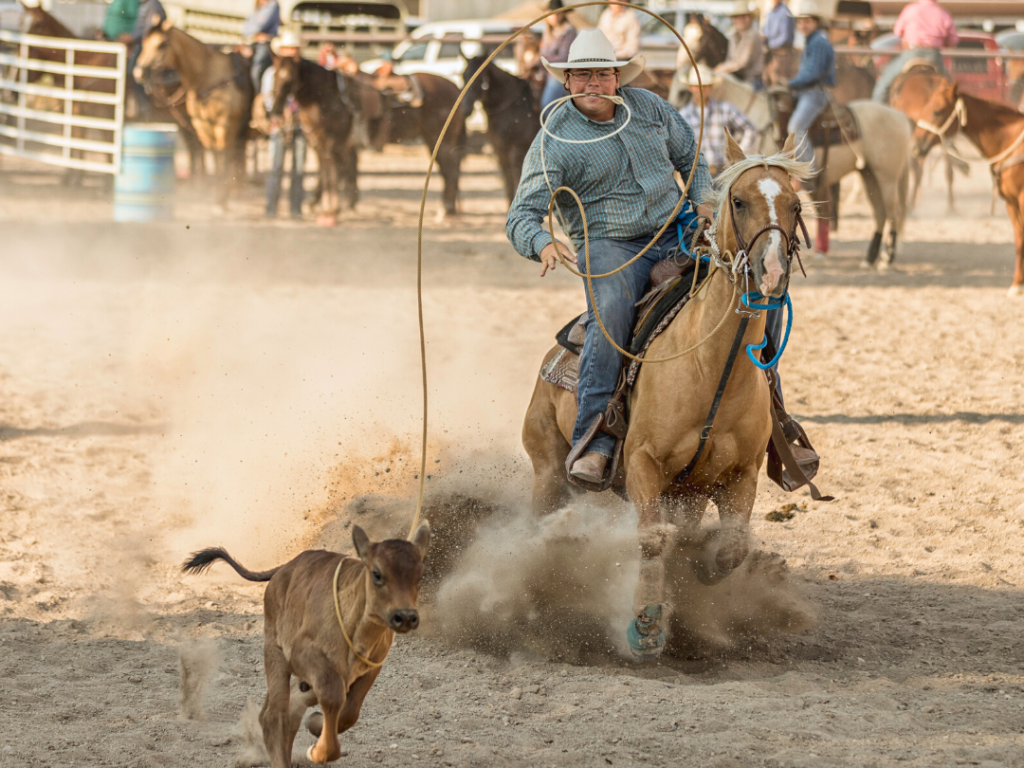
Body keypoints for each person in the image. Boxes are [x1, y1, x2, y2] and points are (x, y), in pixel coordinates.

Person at [506, 29, 713, 484]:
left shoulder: (652, 108)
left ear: (617, 77)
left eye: (602, 74)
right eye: (583, 76)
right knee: (613, 313)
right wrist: (544, 243)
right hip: (610, 244)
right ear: (566, 81)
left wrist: (703, 202)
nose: (593, 84)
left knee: (748, 284)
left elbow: (692, 159)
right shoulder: (554, 141)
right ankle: (594, 441)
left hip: (676, 229)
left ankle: (773, 417)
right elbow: (520, 216)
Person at [785, 0, 835, 187]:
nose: (802, 25)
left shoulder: (819, 43)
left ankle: (809, 172)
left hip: (815, 93)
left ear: (815, 22)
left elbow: (812, 73)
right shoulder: (811, 41)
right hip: (806, 91)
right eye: (800, 22)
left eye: (807, 21)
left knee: (796, 127)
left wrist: (790, 83)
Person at [872, 0, 957, 103]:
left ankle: (876, 109)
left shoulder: (911, 9)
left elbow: (897, 31)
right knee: (950, 90)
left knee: (882, 86)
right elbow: (952, 40)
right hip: (933, 55)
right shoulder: (943, 13)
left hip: (912, 53)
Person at [679, 66, 759, 176]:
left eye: (705, 86)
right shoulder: (683, 116)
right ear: (690, 87)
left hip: (724, 171)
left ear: (711, 87)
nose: (701, 89)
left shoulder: (725, 109)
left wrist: (739, 153)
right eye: (697, 86)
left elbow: (750, 129)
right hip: (698, 174)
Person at [263, 32, 306, 220]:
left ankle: (295, 210)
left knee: (299, 169)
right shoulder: (271, 74)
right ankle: (270, 209)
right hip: (280, 125)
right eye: (287, 49)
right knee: (276, 167)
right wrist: (278, 112)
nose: (290, 52)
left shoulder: (305, 75)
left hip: (299, 124)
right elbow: (267, 98)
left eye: (293, 49)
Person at [715, 0, 765, 89]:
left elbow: (742, 63)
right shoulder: (734, 36)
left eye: (742, 17)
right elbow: (729, 59)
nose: (738, 20)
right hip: (737, 78)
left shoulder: (752, 36)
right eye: (736, 17)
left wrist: (722, 68)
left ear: (749, 18)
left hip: (751, 81)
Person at [539, 0, 577, 113]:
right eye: (549, 14)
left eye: (555, 13)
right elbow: (543, 51)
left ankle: (551, 128)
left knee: (547, 104)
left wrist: (541, 59)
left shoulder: (568, 31)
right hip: (545, 71)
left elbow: (563, 58)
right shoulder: (548, 31)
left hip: (560, 74)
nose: (552, 17)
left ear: (562, 14)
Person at [243, 0, 281, 91]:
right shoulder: (258, 7)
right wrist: (254, 33)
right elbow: (245, 30)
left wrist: (254, 31)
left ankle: (259, 96)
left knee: (257, 72)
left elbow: (259, 26)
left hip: (266, 44)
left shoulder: (273, 5)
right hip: (253, 43)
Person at [761, 0, 796, 86]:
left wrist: (771, 44)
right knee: (766, 78)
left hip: (782, 52)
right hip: (771, 51)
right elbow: (765, 31)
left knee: (777, 80)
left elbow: (785, 37)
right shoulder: (771, 13)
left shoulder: (785, 13)